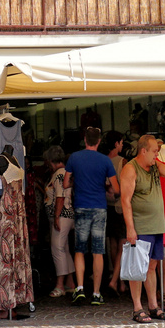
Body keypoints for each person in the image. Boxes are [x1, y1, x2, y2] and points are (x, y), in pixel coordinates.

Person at [116, 134, 165, 323]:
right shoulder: (130, 169)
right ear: (143, 151)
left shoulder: (155, 167)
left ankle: (153, 306)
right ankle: (137, 307)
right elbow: (125, 200)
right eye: (154, 151)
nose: (156, 155)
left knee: (151, 266)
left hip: (157, 225)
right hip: (141, 225)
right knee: (137, 268)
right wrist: (130, 229)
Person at [64, 125, 119, 305]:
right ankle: (96, 293)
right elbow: (116, 189)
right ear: (99, 141)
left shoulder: (74, 158)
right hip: (100, 208)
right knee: (98, 251)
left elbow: (65, 183)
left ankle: (79, 288)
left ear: (85, 140)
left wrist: (77, 181)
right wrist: (104, 187)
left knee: (79, 249)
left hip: (81, 206)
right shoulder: (105, 161)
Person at [43, 145, 75, 298]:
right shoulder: (62, 173)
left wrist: (56, 216)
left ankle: (60, 285)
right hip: (64, 215)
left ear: (51, 161)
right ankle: (70, 282)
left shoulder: (60, 174)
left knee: (57, 249)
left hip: (62, 216)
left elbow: (60, 197)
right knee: (64, 248)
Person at [102, 130, 126, 295]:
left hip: (107, 205)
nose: (122, 145)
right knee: (123, 245)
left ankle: (115, 277)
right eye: (122, 142)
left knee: (113, 243)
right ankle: (117, 280)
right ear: (116, 143)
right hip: (120, 206)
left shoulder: (103, 160)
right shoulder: (122, 161)